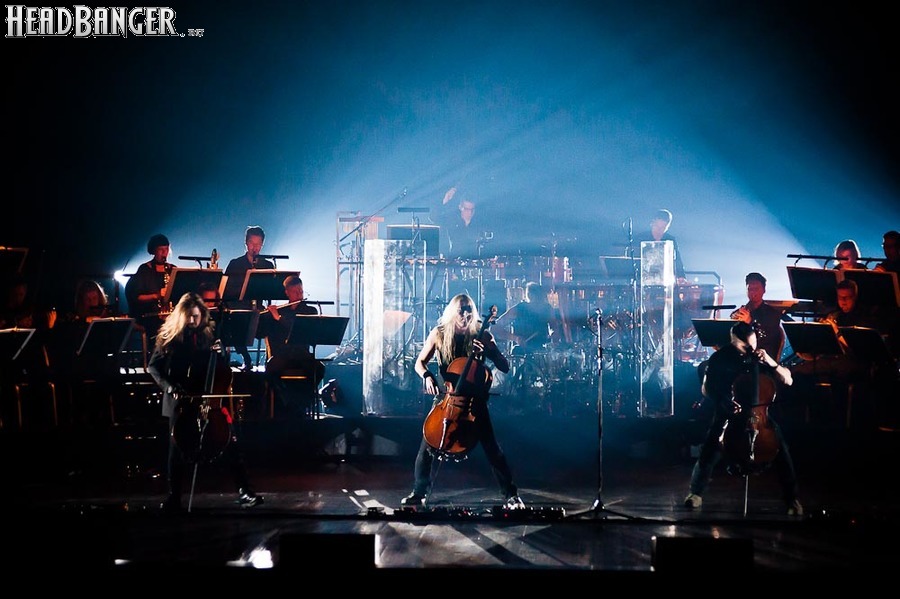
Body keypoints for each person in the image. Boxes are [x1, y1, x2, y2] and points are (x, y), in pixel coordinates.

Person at [400, 293, 524, 509]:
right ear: (452, 312)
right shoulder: (439, 334)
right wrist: (427, 376)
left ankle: (511, 495)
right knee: (428, 444)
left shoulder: (482, 334)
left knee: (492, 448)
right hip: (446, 398)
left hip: (473, 403)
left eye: (469, 310)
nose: (465, 315)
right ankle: (419, 493)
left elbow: (504, 366)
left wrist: (489, 349)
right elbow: (420, 362)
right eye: (461, 311)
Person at [148, 292, 262, 512]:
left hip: (208, 400)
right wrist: (170, 387)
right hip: (180, 399)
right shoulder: (170, 337)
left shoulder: (208, 336)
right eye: (189, 316)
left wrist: (221, 353)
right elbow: (153, 367)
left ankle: (244, 490)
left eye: (197, 316)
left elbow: (221, 368)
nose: (193, 321)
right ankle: (174, 496)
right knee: (176, 448)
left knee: (230, 441)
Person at [684, 321, 802, 516]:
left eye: (753, 344)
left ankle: (792, 498)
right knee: (710, 448)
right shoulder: (720, 358)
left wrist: (771, 362)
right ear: (733, 341)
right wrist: (723, 400)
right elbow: (706, 389)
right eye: (744, 346)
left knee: (781, 450)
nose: (750, 349)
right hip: (729, 413)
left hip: (760, 415)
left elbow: (788, 380)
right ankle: (695, 493)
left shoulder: (762, 357)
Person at [260, 275, 325, 418]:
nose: (299, 295)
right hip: (283, 355)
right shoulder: (280, 311)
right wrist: (266, 315)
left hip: (302, 355)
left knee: (319, 369)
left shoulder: (310, 311)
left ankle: (303, 401)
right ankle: (286, 402)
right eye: (295, 292)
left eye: (301, 291)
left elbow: (295, 325)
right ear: (287, 293)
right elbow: (264, 331)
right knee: (271, 369)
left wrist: (279, 318)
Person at [223, 225, 275, 370]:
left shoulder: (267, 264)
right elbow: (226, 290)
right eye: (252, 243)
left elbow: (271, 290)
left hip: (258, 308)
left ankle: (274, 360)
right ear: (246, 243)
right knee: (236, 320)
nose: (255, 248)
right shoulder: (235, 264)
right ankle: (246, 357)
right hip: (239, 307)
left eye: (258, 244)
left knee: (275, 320)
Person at [125, 233, 173, 342]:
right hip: (150, 316)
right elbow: (136, 297)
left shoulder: (172, 269)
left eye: (166, 249)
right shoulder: (144, 270)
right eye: (160, 249)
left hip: (169, 315)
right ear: (154, 250)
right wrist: (157, 295)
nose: (164, 253)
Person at [729, 272, 786, 362]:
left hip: (762, 358)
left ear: (764, 290)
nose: (752, 292)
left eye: (756, 289)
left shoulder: (772, 314)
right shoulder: (739, 312)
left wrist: (750, 322)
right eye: (750, 289)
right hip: (740, 357)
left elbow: (767, 339)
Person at [498, 281, 566, 354]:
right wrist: (516, 338)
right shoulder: (518, 309)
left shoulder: (547, 309)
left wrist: (554, 333)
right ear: (529, 295)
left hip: (541, 351)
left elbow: (554, 327)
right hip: (521, 352)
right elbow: (495, 327)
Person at [637, 209, 687, 283]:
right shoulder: (640, 238)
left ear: (667, 227)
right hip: (643, 279)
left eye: (663, 228)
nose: (659, 231)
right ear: (652, 223)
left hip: (665, 279)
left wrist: (681, 276)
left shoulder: (670, 240)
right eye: (657, 227)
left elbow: (677, 260)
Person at [441, 186, 488, 259]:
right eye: (467, 209)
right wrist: (445, 202)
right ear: (460, 207)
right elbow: (434, 218)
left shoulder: (479, 223)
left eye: (472, 209)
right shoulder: (451, 221)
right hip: (453, 261)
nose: (470, 212)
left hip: (475, 262)